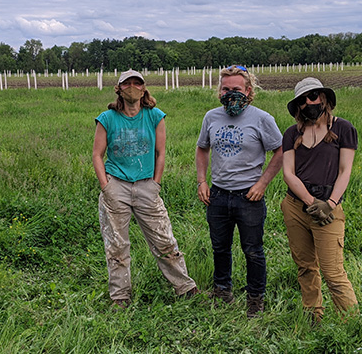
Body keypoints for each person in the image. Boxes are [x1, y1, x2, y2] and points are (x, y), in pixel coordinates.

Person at [93, 70, 198, 310]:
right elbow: (97, 155)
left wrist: (155, 183)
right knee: (117, 244)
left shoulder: (154, 116)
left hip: (146, 186)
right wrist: (105, 185)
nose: (132, 87)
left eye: (136, 83)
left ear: (144, 88)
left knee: (164, 240)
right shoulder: (107, 118)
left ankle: (185, 287)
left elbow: (161, 153)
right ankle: (120, 296)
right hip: (116, 185)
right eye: (126, 84)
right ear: (118, 89)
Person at [195, 65, 284, 318]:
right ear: (218, 90)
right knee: (220, 247)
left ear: (248, 90)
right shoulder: (211, 117)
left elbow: (281, 151)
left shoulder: (262, 119)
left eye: (236, 89)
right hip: (219, 195)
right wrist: (202, 181)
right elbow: (202, 148)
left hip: (249, 196)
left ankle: (256, 298)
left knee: (253, 249)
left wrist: (262, 183)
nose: (230, 93)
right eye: (225, 89)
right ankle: (222, 290)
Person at [280, 77, 358, 325]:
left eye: (312, 96)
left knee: (333, 272)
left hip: (329, 207)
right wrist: (310, 201)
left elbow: (345, 171)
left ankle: (353, 323)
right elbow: (288, 173)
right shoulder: (292, 133)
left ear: (324, 98)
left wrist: (330, 203)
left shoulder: (343, 129)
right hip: (296, 206)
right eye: (302, 100)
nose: (308, 103)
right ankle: (313, 316)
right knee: (305, 267)